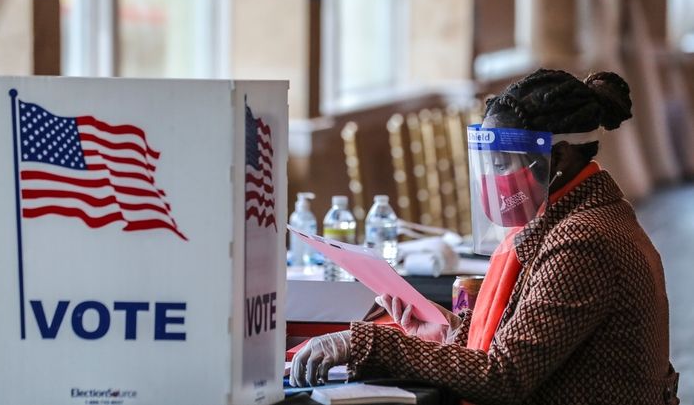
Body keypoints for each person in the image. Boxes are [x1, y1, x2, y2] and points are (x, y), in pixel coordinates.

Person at [290, 69, 680, 404]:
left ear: (557, 158)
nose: (492, 179)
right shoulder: (572, 216)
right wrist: (454, 333)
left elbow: (505, 377)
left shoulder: (583, 241)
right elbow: (526, 348)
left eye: (501, 163)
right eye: (487, 164)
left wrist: (368, 345)